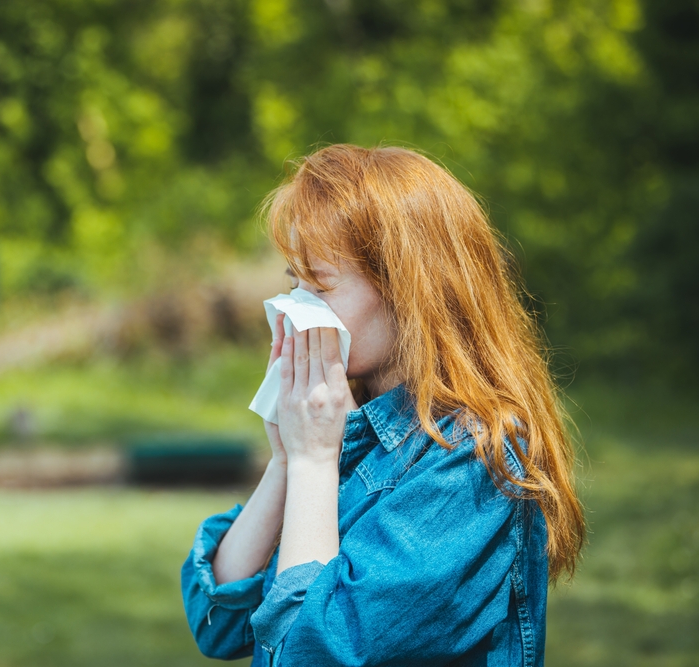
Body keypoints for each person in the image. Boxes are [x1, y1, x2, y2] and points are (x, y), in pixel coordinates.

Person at [180, 144, 585, 666]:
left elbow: (311, 655)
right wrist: (288, 462)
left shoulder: (472, 461)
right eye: (292, 283)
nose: (294, 309)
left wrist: (313, 461)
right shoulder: (355, 428)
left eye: (320, 287)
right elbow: (218, 621)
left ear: (409, 293)